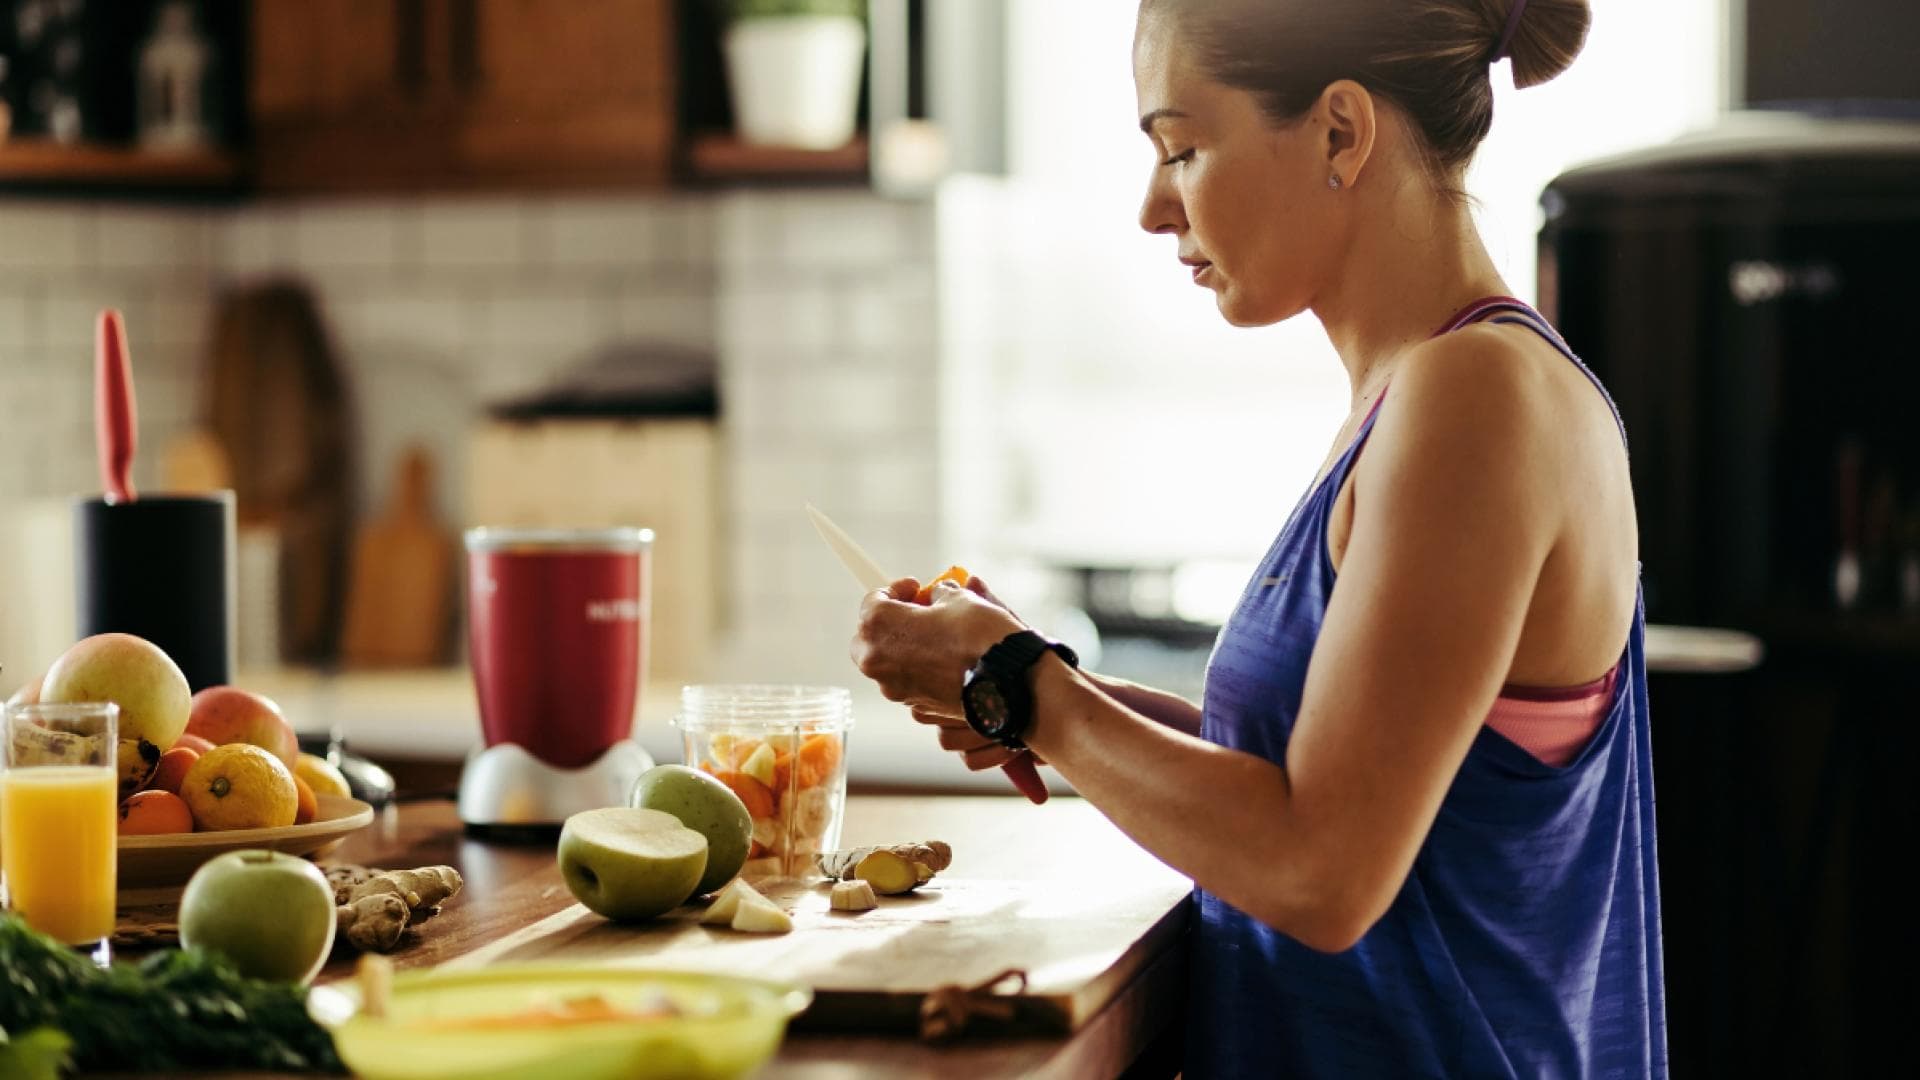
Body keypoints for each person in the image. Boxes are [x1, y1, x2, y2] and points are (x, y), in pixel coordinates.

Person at [850, 0, 1666, 1076]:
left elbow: (1321, 872)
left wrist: (1019, 684)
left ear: (1340, 131)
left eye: (1182, 148)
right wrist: (1037, 688)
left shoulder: (1477, 398)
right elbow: (1328, 777)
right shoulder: (1425, 393)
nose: (1153, 207)